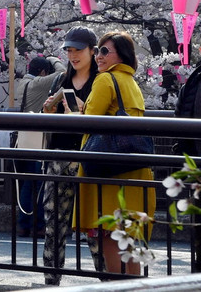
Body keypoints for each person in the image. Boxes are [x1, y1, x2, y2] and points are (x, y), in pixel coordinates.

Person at [74, 31, 155, 276]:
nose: (98, 56)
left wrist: (80, 112)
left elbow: (90, 122)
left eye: (105, 51)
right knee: (128, 242)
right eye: (97, 50)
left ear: (122, 55)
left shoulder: (105, 80)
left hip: (108, 173)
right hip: (134, 170)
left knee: (111, 236)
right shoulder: (131, 82)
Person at [40, 27, 98, 285]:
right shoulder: (60, 80)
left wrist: (85, 113)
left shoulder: (101, 80)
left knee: (93, 224)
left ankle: (107, 279)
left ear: (93, 51)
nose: (73, 55)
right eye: (69, 50)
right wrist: (49, 110)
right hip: (58, 155)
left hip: (87, 158)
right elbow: (47, 122)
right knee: (53, 221)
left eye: (78, 50)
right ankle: (51, 279)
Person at [15, 55, 63, 237]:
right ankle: (37, 225)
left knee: (27, 183)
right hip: (38, 141)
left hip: (25, 140)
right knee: (39, 185)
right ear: (42, 72)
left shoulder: (23, 83)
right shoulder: (39, 83)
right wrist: (53, 58)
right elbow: (62, 73)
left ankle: (23, 224)